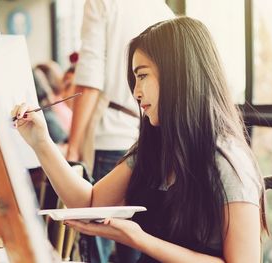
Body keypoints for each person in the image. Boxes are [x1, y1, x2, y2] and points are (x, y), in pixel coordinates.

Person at [12, 17, 267, 263]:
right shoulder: (156, 147)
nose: (135, 92)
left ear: (179, 73)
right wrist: (40, 141)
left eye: (142, 76)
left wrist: (140, 240)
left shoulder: (228, 162)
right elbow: (89, 202)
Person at [65, 0, 174, 261]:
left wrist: (73, 145)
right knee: (136, 245)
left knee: (96, 237)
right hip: (145, 133)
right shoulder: (162, 10)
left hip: (111, 134)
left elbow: (90, 78)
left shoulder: (102, 3)